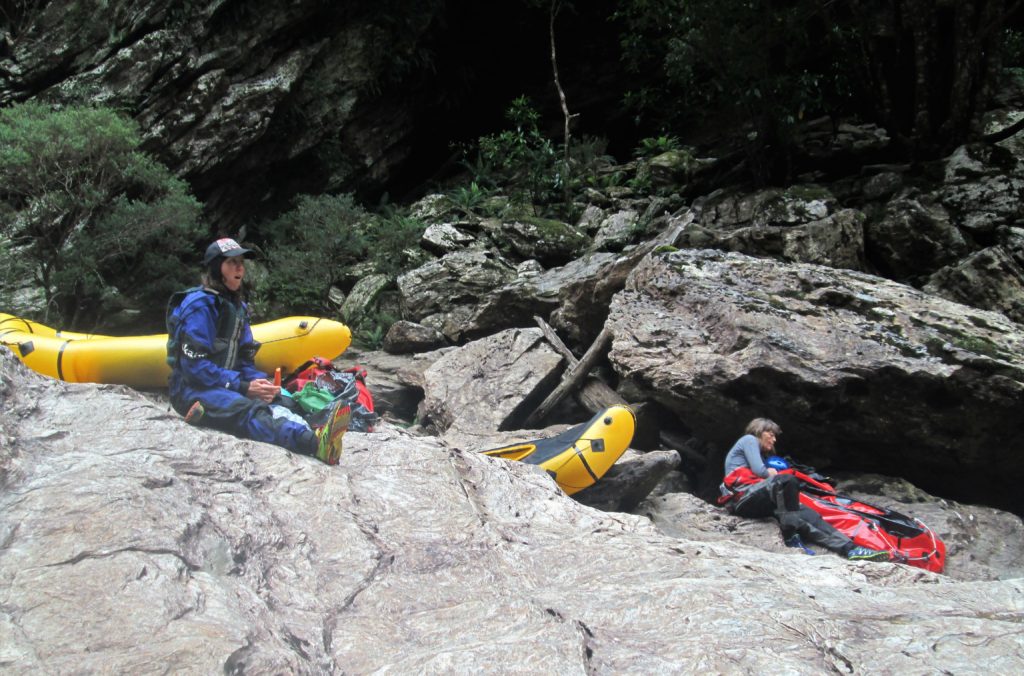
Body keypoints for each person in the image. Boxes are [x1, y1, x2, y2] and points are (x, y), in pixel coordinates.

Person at [166, 237, 349, 464]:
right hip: (191, 389)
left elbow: (243, 359)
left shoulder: (237, 308)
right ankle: (313, 444)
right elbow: (194, 367)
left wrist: (260, 384)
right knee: (247, 410)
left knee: (284, 400)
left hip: (223, 384)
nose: (240, 268)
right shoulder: (199, 307)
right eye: (232, 262)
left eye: (241, 262)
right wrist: (242, 386)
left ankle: (321, 431)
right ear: (215, 268)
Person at [720, 418, 890, 562]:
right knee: (786, 480)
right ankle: (790, 535)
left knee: (810, 516)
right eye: (770, 435)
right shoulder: (749, 440)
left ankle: (850, 549)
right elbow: (760, 471)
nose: (774, 440)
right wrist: (769, 472)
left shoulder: (761, 454)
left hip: (761, 501)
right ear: (759, 431)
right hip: (743, 498)